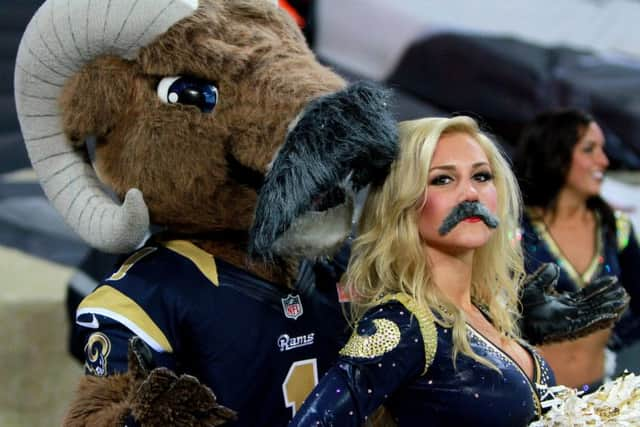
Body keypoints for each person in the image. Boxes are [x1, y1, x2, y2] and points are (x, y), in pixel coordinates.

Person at [289, 116, 557, 427]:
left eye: (482, 176)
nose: (472, 194)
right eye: (443, 179)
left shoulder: (485, 311)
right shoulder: (402, 324)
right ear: (403, 202)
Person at [513, 109, 640, 392]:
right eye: (589, 149)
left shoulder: (615, 228)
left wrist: (607, 335)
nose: (604, 161)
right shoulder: (513, 230)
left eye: (602, 149)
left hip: (598, 397)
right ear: (555, 155)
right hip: (531, 398)